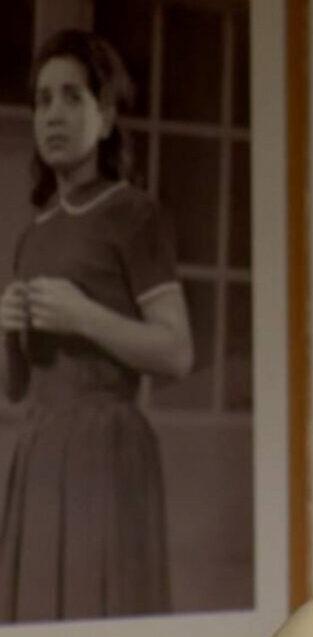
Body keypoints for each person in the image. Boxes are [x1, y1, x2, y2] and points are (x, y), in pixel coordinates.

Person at [0, 30, 192, 620]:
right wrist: (7, 333)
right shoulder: (33, 235)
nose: (53, 114)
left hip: (106, 453)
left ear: (105, 116)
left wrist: (83, 315)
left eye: (72, 97)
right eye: (43, 100)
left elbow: (176, 352)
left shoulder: (134, 214)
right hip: (39, 453)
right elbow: (15, 388)